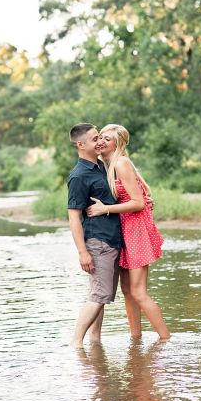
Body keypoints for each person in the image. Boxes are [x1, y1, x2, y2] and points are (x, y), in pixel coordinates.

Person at [85, 124, 171, 341]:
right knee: (127, 291)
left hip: (136, 230)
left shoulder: (121, 163)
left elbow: (138, 203)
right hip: (122, 229)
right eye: (100, 137)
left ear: (118, 143)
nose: (102, 141)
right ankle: (136, 341)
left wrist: (105, 209)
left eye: (108, 138)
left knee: (139, 292)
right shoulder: (105, 166)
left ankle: (166, 340)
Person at [67, 123, 125, 348]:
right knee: (98, 295)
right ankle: (76, 344)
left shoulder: (100, 166)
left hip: (111, 239)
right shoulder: (79, 176)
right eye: (94, 139)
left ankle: (95, 341)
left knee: (101, 296)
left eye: (100, 137)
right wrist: (83, 252)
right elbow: (73, 218)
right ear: (81, 145)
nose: (99, 142)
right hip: (97, 242)